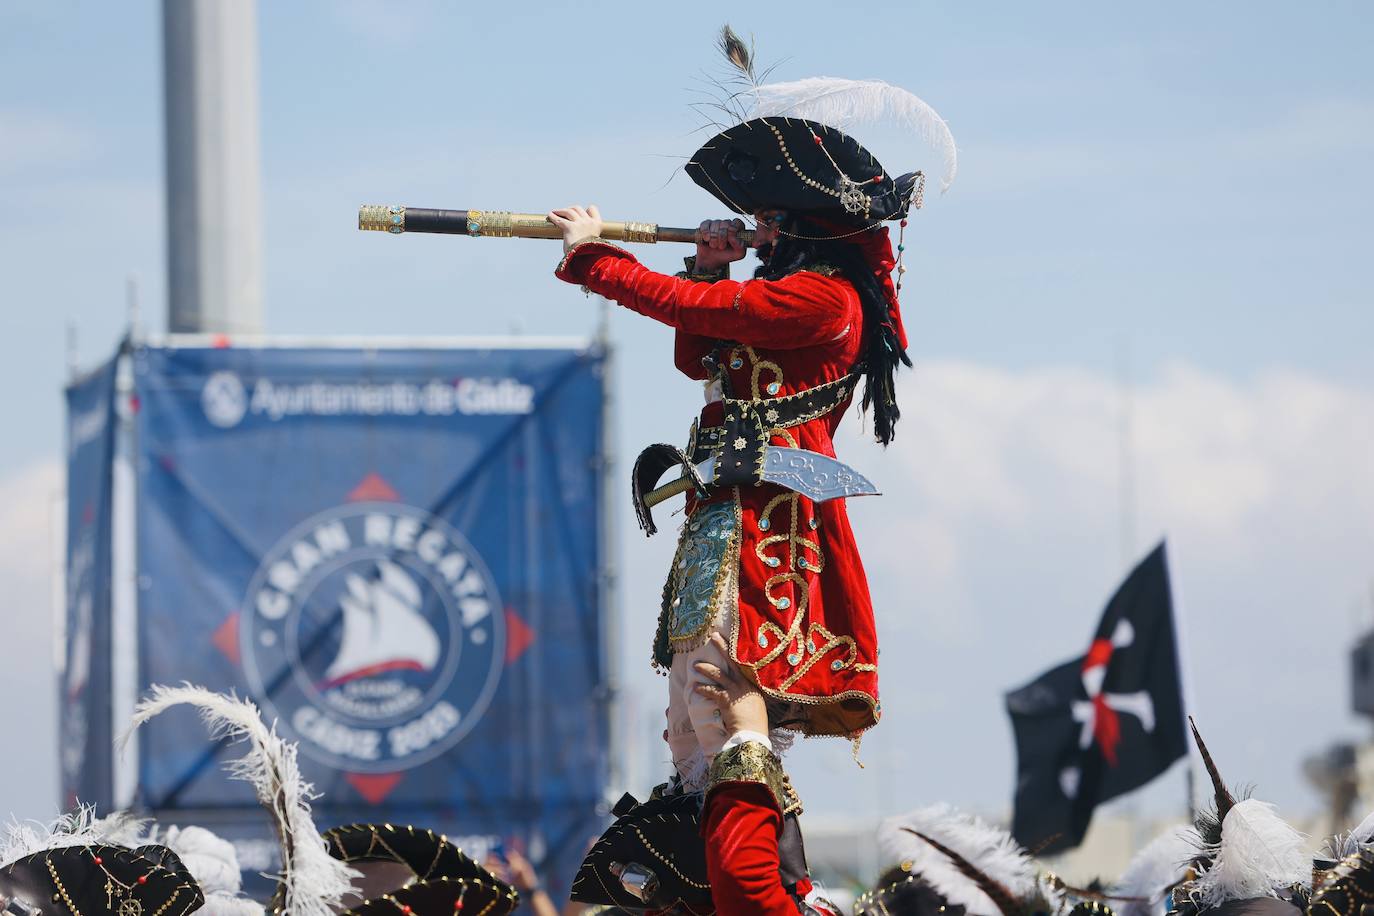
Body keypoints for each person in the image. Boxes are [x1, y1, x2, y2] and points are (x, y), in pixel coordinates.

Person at [549, 26, 956, 792]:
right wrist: (708, 267)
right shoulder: (786, 294)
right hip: (726, 506)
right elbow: (699, 353)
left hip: (772, 515)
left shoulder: (825, 299)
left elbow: (692, 309)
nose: (759, 228)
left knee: (723, 694)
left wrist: (594, 256)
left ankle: (760, 844)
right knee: (687, 714)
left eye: (771, 216)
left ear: (808, 224)